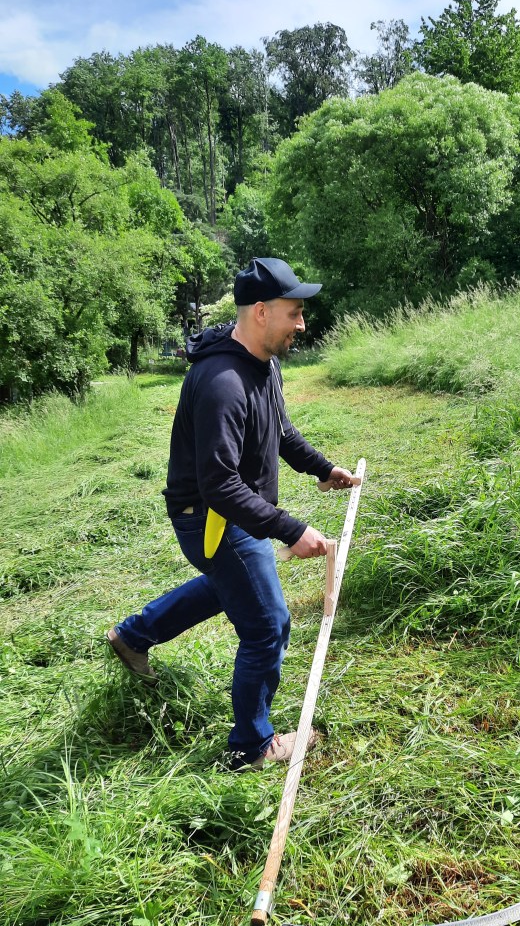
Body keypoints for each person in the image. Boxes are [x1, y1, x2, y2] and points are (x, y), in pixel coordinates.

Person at [106, 257, 357, 772]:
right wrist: (291, 528)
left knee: (232, 588)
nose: (302, 323)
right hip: (213, 517)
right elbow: (219, 484)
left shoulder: (263, 363)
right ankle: (251, 746)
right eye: (295, 312)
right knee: (267, 623)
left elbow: (279, 431)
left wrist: (322, 468)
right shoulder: (222, 380)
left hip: (237, 511)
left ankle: (133, 635)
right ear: (262, 312)